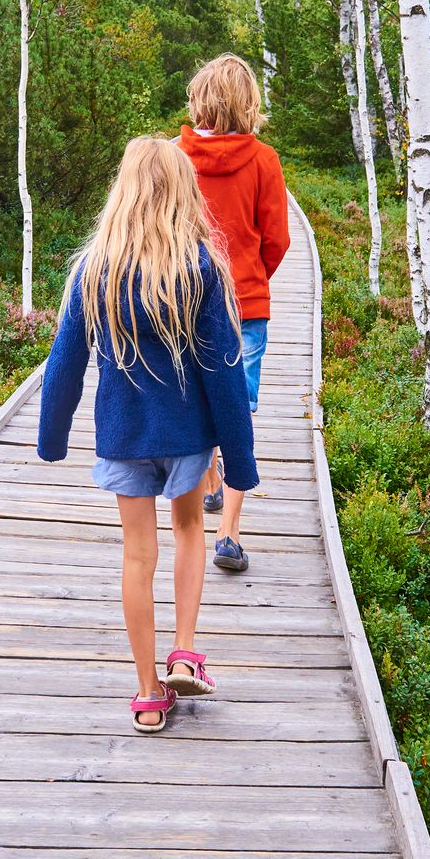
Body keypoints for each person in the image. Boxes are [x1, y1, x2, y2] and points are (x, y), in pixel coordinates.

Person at [37, 136, 260, 733]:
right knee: (189, 529)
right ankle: (184, 649)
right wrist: (238, 459)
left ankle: (146, 693)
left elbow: (65, 364)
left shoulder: (94, 270)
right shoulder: (200, 268)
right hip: (187, 435)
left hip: (122, 436)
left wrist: (51, 437)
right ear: (182, 192)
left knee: (137, 556)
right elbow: (223, 370)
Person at [176, 54, 289, 575]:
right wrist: (252, 277)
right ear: (248, 103)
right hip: (244, 305)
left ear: (200, 97)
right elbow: (278, 240)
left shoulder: (174, 156)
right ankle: (229, 535)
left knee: (195, 400)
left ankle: (209, 484)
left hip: (183, 305)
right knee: (237, 413)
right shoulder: (264, 160)